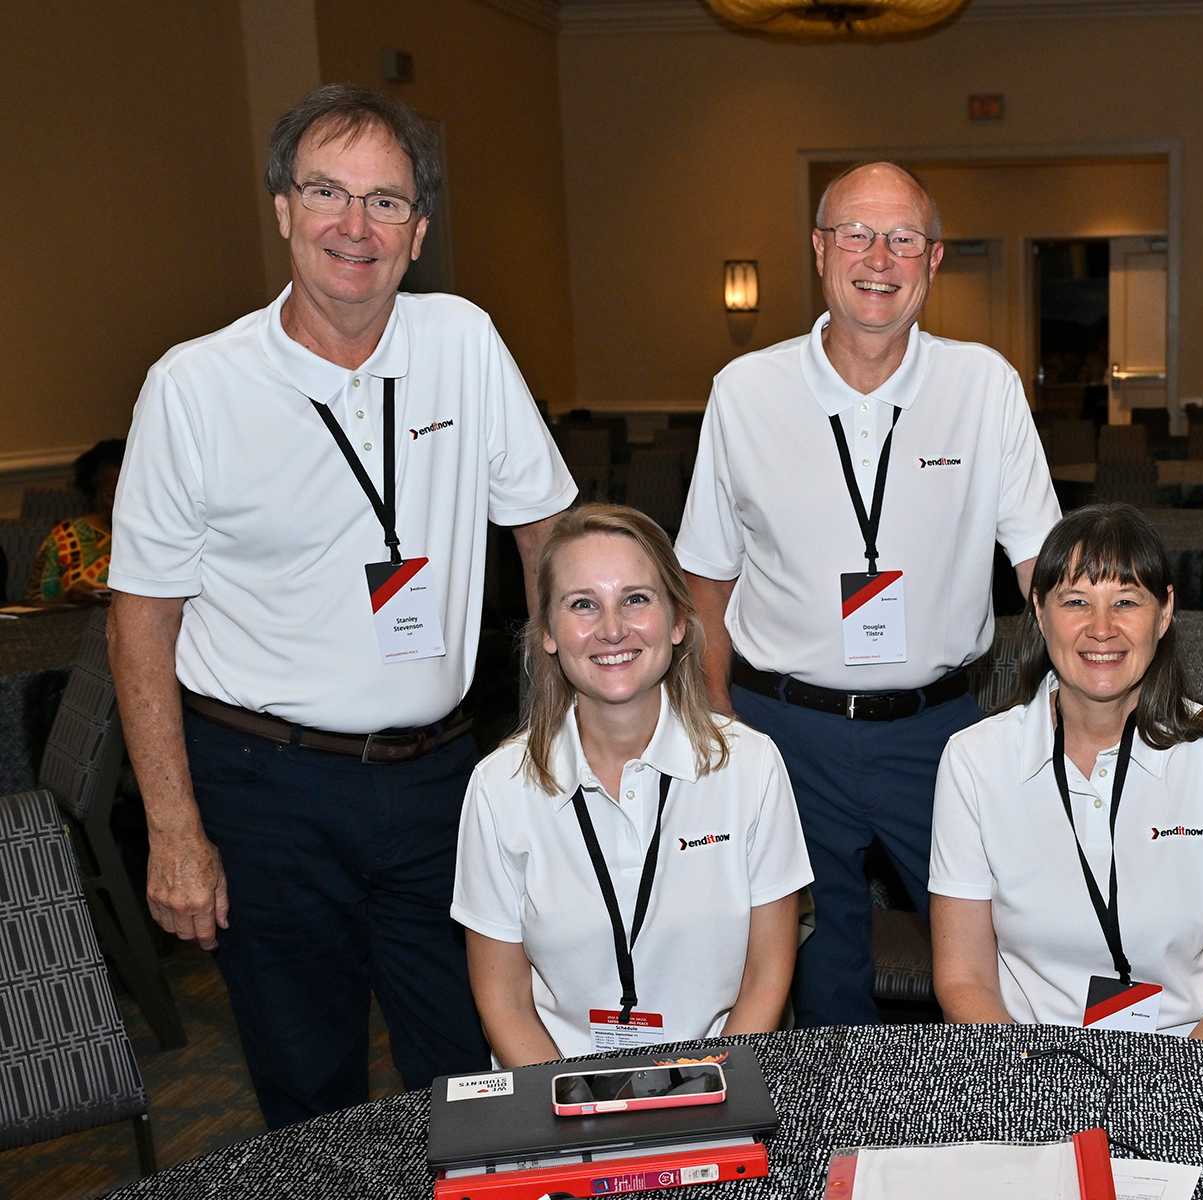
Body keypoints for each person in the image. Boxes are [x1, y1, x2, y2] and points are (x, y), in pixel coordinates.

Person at [107, 84, 575, 1126]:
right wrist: (175, 829)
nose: (354, 228)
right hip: (266, 787)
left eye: (387, 202)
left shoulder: (463, 342)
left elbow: (548, 536)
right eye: (328, 192)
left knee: (470, 1063)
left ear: (418, 231)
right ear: (282, 206)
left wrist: (566, 733)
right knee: (309, 1081)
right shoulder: (196, 385)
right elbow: (141, 617)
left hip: (443, 780)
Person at [676, 161, 1061, 1026]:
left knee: (994, 959)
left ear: (933, 261)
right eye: (856, 234)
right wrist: (718, 729)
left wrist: (1089, 688)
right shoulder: (745, 393)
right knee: (814, 979)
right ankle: (833, 1152)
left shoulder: (983, 386)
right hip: (783, 732)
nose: (878, 257)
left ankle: (1002, 1129)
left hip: (938, 733)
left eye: (903, 239)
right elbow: (706, 579)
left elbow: (1043, 565)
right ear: (820, 251)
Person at [453, 505, 812, 1065]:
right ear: (547, 631)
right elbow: (503, 1002)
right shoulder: (499, 787)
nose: (612, 629)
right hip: (554, 1098)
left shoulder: (751, 767)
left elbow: (766, 980)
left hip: (721, 1079)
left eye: (636, 599)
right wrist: (574, 1117)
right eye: (583, 605)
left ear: (677, 621)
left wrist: (706, 1100)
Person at [930, 504, 1203, 1041]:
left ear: (1164, 614)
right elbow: (964, 980)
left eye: (1126, 601)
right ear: (1039, 612)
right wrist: (1034, 1088)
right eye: (1076, 601)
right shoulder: (973, 762)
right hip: (1027, 1062)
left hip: (1198, 1057)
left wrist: (1171, 1099)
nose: (1102, 629)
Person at [28, 438, 125, 604]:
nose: (120, 506)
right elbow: (35, 610)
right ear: (97, 490)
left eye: (131, 497)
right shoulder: (65, 537)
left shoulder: (165, 536)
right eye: (111, 496)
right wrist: (68, 598)